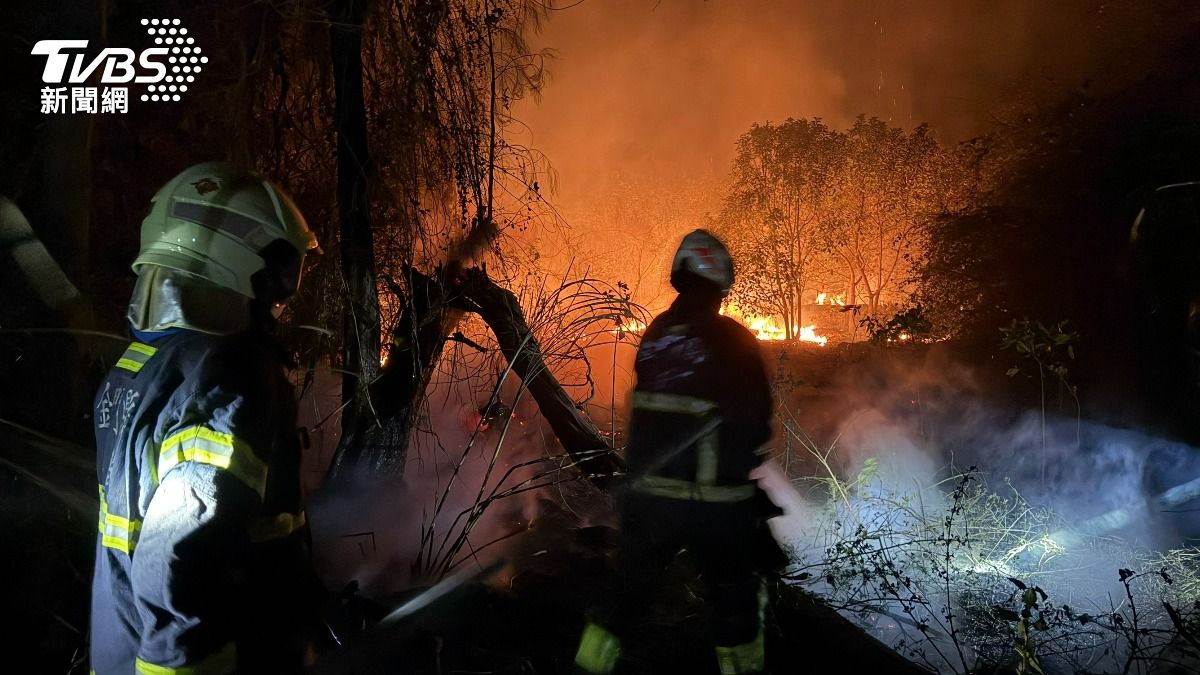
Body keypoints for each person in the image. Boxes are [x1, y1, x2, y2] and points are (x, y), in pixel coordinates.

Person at [91, 162, 320, 674]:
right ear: (234, 263)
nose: (280, 298)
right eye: (275, 276)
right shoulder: (229, 378)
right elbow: (178, 561)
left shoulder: (135, 372)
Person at [574, 229, 782, 675]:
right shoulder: (733, 340)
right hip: (715, 506)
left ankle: (587, 669)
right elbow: (756, 421)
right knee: (735, 605)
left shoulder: (655, 335)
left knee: (625, 600)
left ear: (679, 279)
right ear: (721, 286)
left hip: (649, 500)